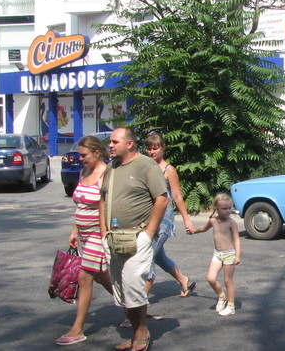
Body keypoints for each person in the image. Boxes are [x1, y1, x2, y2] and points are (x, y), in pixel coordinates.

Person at [99, 127, 169, 351]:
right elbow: (102, 200)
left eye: (115, 141)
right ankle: (135, 330)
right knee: (120, 288)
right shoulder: (111, 167)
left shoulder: (146, 165)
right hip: (113, 238)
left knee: (133, 285)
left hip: (137, 237)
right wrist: (103, 232)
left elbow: (162, 199)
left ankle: (141, 331)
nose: (110, 145)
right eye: (110, 141)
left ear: (129, 144)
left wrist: (148, 234)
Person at [55, 135, 114, 346]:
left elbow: (108, 205)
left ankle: (77, 329)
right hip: (84, 234)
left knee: (84, 278)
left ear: (97, 152)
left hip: (99, 234)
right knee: (100, 276)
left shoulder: (107, 173)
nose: (80, 159)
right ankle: (131, 305)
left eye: (84, 155)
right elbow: (79, 206)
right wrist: (74, 230)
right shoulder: (84, 172)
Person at [142, 132, 196, 297]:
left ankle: (138, 304)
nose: (152, 152)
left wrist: (187, 219)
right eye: (149, 149)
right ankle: (183, 279)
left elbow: (177, 196)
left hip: (164, 218)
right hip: (148, 216)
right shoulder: (145, 167)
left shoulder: (168, 170)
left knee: (148, 255)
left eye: (156, 148)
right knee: (158, 256)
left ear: (163, 147)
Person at [191, 193, 242, 317]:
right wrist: (194, 231)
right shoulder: (212, 220)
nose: (228, 211)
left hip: (229, 254)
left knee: (227, 281)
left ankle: (231, 306)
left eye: (229, 208)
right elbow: (203, 228)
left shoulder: (231, 223)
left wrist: (237, 255)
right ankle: (221, 296)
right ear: (216, 208)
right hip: (217, 254)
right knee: (211, 278)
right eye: (224, 209)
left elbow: (237, 240)